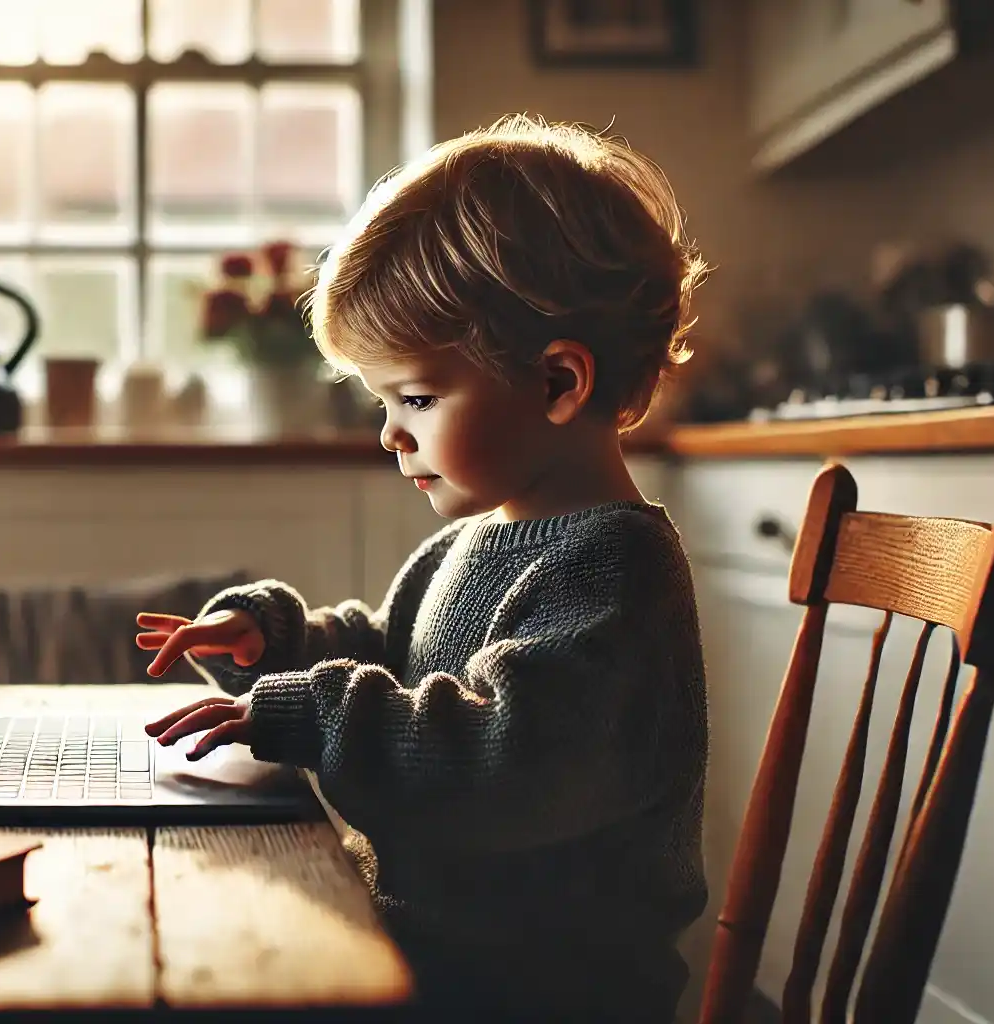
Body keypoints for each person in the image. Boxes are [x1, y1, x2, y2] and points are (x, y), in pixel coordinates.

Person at [137, 114, 711, 1024]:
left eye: (415, 397)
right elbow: (395, 653)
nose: (390, 433)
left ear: (559, 385)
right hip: (443, 955)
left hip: (539, 992)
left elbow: (496, 763)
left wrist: (304, 711)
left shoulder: (613, 571)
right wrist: (276, 643)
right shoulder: (472, 540)